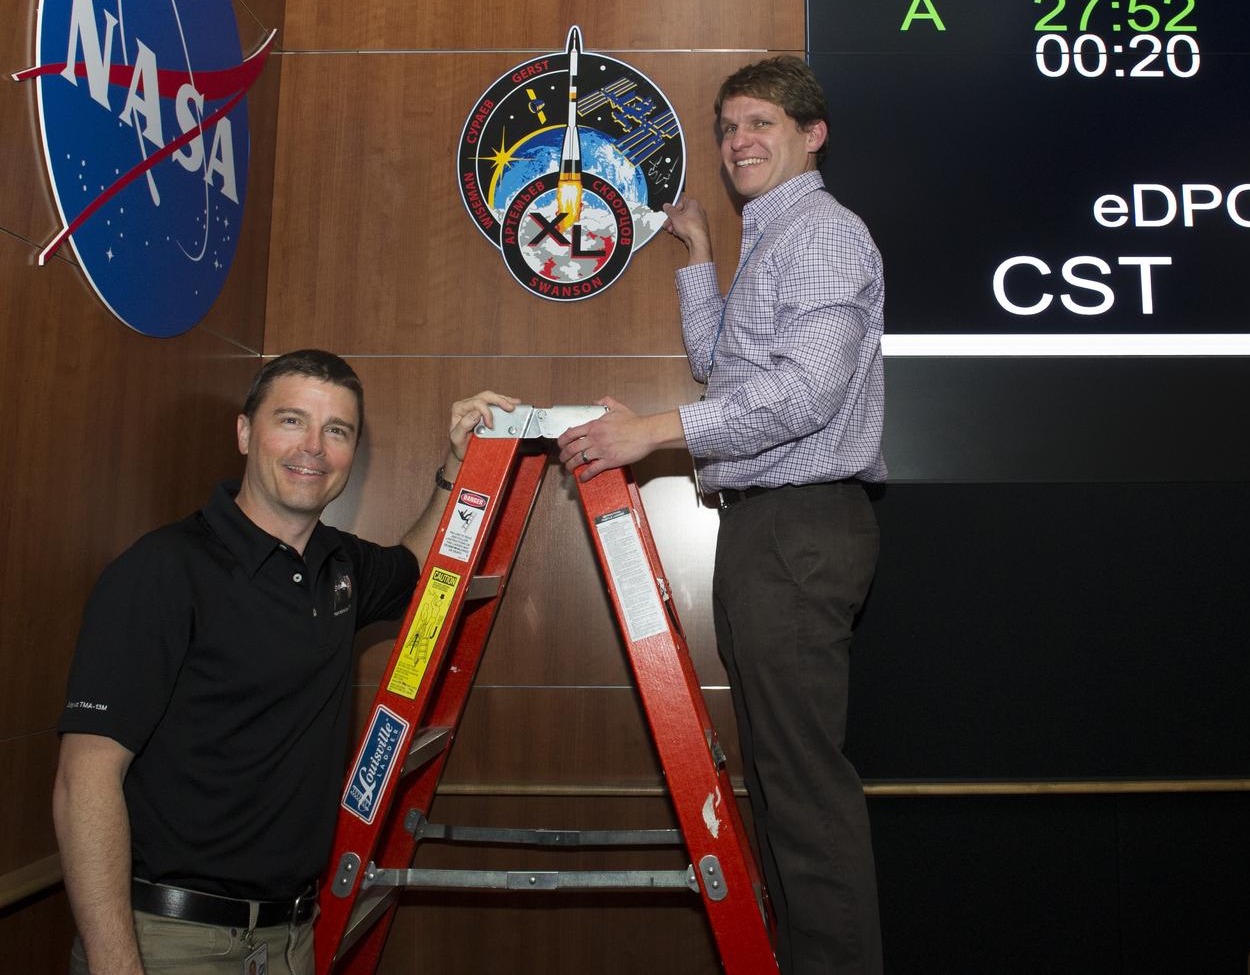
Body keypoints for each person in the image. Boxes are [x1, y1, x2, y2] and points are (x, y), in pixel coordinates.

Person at [557, 56, 886, 975]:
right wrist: (701, 257)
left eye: (762, 124)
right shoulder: (773, 240)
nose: (738, 141)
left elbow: (807, 396)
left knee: (803, 793)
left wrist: (650, 436)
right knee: (782, 787)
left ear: (812, 135)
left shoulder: (820, 234)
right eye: (727, 126)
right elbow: (727, 375)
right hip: (768, 529)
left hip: (798, 527)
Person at [52, 349, 517, 975]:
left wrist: (456, 471)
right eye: (292, 421)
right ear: (246, 433)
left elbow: (417, 567)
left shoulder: (340, 566)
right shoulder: (163, 570)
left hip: (291, 939)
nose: (314, 449)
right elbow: (84, 780)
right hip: (170, 944)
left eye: (337, 430)